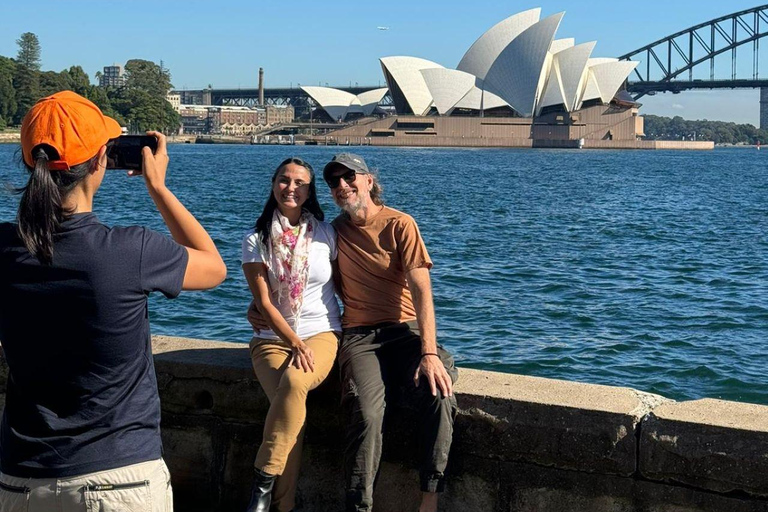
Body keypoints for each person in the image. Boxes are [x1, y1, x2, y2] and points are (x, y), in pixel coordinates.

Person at [0, 91, 227, 512]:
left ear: (31, 162)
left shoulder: (5, 247)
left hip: (21, 478)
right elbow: (214, 268)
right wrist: (158, 188)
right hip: (118, 478)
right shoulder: (131, 250)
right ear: (102, 160)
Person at [250, 153, 458, 512]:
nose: (342, 186)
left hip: (405, 331)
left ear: (369, 181)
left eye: (350, 178)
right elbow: (308, 279)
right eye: (334, 182)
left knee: (440, 396)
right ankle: (358, 505)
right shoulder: (334, 231)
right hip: (359, 335)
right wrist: (261, 304)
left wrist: (429, 354)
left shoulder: (400, 224)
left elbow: (423, 290)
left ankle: (430, 498)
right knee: (364, 410)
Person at [241, 157, 341, 512]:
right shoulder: (256, 240)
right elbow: (265, 304)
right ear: (273, 185)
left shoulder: (326, 234)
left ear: (310, 191)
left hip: (322, 332)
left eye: (300, 183)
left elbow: (348, 284)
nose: (291, 188)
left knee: (295, 384)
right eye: (284, 180)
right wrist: (293, 342)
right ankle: (283, 507)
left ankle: (262, 485)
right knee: (290, 410)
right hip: (271, 339)